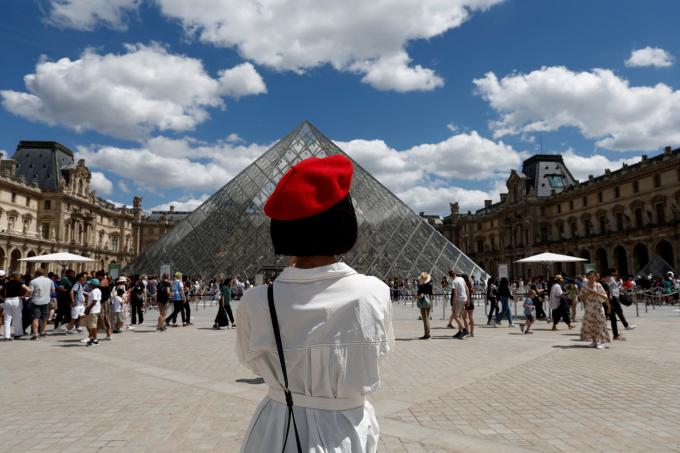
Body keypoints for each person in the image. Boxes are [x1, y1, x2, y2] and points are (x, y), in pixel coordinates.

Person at [236, 154, 394, 452]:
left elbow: (249, 360)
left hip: (278, 427)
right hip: (349, 429)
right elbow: (380, 352)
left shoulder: (256, 300)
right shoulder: (376, 291)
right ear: (344, 224)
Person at [580, 271, 611, 349]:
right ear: (587, 278)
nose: (591, 279)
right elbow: (581, 297)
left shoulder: (598, 285)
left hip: (598, 307)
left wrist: (597, 293)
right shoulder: (584, 286)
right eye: (589, 277)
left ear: (595, 277)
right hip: (589, 308)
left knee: (600, 323)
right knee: (591, 325)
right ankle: (594, 341)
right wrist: (589, 293)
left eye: (593, 277)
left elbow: (605, 296)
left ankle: (601, 341)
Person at [605, 268, 636, 340]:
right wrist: (610, 295)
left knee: (613, 317)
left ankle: (616, 334)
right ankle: (626, 325)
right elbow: (606, 287)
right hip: (613, 298)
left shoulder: (612, 278)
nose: (617, 273)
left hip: (614, 297)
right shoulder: (610, 278)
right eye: (616, 272)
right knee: (619, 312)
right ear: (612, 272)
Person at [2, 271, 31, 340]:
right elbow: (29, 290)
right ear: (18, 276)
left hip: (7, 300)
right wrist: (24, 296)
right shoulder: (20, 283)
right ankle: (17, 334)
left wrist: (2, 297)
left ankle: (6, 336)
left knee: (7, 318)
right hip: (16, 300)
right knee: (17, 317)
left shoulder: (7, 283)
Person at [29, 269, 55, 340]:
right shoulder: (50, 281)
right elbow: (53, 290)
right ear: (44, 273)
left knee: (35, 318)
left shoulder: (33, 281)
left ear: (36, 274)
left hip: (35, 301)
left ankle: (35, 334)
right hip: (46, 301)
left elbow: (30, 292)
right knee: (44, 318)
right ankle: (43, 332)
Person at [448, 269, 469, 338]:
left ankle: (464, 330)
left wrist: (453, 306)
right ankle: (460, 332)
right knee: (459, 316)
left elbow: (455, 295)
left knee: (454, 315)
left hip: (459, 299)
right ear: (455, 274)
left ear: (450, 276)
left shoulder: (454, 282)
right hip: (465, 298)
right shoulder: (461, 278)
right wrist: (468, 299)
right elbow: (467, 289)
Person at [84, 278, 101, 347]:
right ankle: (91, 338)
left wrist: (88, 308)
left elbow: (94, 301)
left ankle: (95, 340)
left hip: (93, 310)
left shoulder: (94, 291)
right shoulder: (97, 290)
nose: (89, 285)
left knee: (93, 326)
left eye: (90, 284)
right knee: (90, 325)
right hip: (94, 310)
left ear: (93, 285)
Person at [416, 272, 433, 340]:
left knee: (425, 319)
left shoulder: (421, 286)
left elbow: (421, 295)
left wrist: (416, 297)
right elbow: (431, 295)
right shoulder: (430, 285)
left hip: (423, 303)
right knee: (427, 319)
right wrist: (431, 302)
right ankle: (427, 334)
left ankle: (427, 335)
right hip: (429, 302)